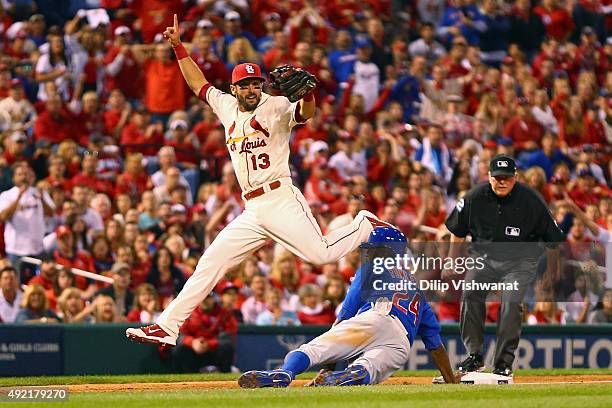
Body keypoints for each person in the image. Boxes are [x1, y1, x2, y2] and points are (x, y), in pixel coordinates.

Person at [126, 15, 394, 347]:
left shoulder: (277, 105)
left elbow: (305, 113)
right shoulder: (226, 106)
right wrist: (179, 47)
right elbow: (199, 85)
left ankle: (365, 224)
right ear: (234, 88)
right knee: (210, 262)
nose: (253, 89)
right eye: (246, 85)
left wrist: (308, 94)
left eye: (257, 83)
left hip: (279, 196)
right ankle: (168, 325)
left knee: (321, 255)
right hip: (252, 208)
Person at [238, 228, 457, 388]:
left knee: (311, 351)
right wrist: (450, 381)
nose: (369, 253)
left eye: (373, 248)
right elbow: (435, 345)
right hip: (401, 343)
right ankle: (345, 377)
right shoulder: (417, 288)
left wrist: (327, 367)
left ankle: (285, 373)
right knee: (365, 369)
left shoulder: (373, 267)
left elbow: (344, 317)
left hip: (376, 317)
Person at [444, 154, 564, 377]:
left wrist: (552, 271)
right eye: (497, 177)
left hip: (519, 261)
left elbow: (553, 239)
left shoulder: (531, 200)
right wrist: (452, 260)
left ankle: (503, 362)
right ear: (488, 177)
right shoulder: (474, 197)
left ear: (515, 178)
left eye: (506, 178)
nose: (502, 182)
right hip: (484, 258)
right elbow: (457, 232)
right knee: (470, 293)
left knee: (510, 303)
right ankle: (474, 356)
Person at [0, 163, 54, 282]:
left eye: (26, 174)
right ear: (14, 178)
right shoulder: (7, 195)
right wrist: (19, 197)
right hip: (15, 250)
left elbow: (51, 213)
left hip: (38, 248)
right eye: (20, 174)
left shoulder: (39, 192)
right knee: (16, 282)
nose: (23, 177)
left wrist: (42, 199)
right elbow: (3, 217)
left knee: (40, 282)